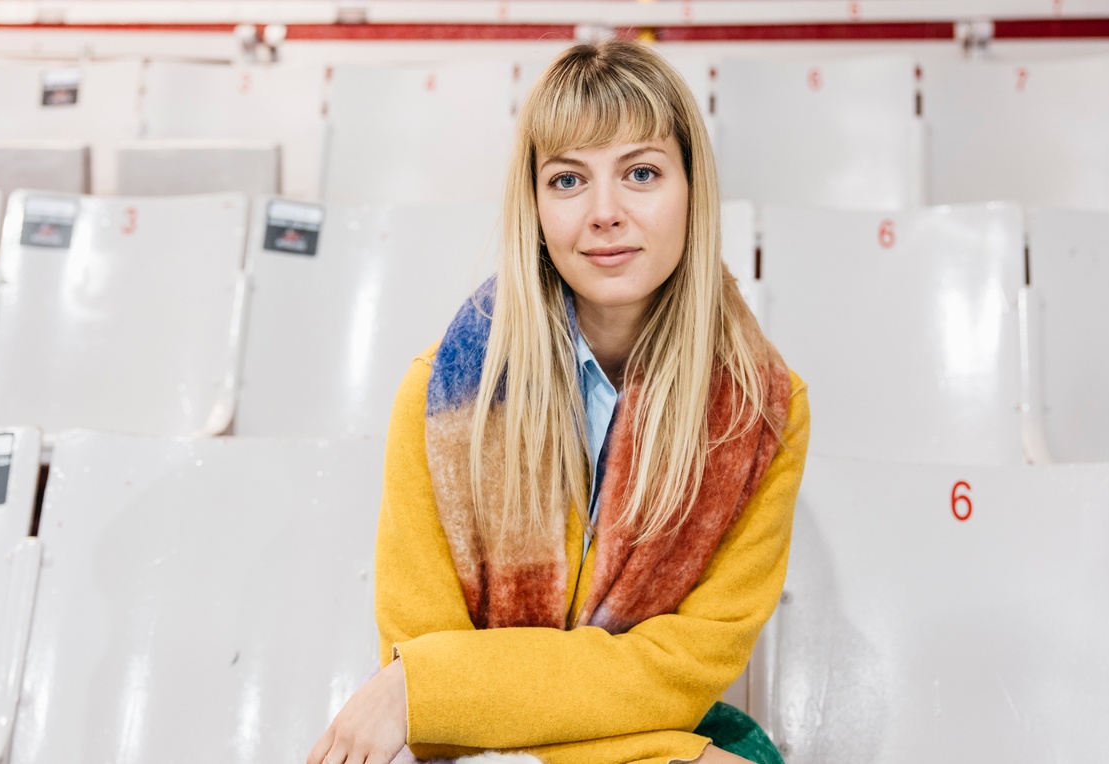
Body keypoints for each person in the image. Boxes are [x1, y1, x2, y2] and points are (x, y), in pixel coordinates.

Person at [309, 39, 810, 764]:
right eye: (569, 180)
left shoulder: (763, 416)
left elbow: (681, 675)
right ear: (536, 205)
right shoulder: (441, 398)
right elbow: (435, 718)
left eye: (641, 173)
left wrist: (422, 689)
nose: (604, 213)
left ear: (692, 190)